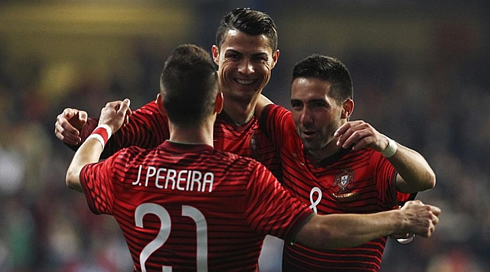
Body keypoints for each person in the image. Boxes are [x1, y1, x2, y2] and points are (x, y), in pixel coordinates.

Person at [65, 43, 440, 272]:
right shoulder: (244, 177)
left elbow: (77, 173)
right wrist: (398, 219)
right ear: (216, 103)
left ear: (162, 104)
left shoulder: (128, 167)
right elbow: (320, 231)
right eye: (298, 106)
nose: (305, 117)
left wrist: (104, 128)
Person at [55, 8, 285, 270]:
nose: (246, 69)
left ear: (274, 60)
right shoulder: (182, 109)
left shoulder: (280, 131)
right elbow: (123, 134)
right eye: (235, 56)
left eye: (258, 58)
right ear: (216, 55)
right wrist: (82, 129)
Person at [255, 54, 436, 271]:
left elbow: (425, 179)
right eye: (297, 105)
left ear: (346, 108)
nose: (305, 117)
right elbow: (246, 96)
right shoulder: (288, 132)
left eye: (317, 105)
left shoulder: (370, 159)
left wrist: (386, 144)